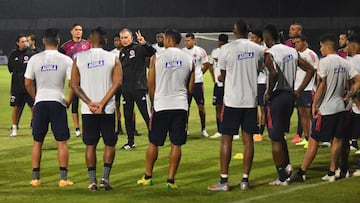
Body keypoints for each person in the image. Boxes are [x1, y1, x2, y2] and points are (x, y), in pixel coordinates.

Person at [289, 34, 360, 183]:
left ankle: (302, 171)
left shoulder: (324, 62)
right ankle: (332, 171)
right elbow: (356, 81)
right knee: (337, 140)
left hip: (326, 109)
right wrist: (350, 94)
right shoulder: (345, 62)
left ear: (328, 47)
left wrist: (315, 104)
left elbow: (322, 84)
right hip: (341, 107)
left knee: (314, 140)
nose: (320, 49)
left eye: (321, 46)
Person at [208, 20, 264, 191]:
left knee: (226, 139)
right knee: (248, 141)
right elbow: (260, 68)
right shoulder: (258, 49)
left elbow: (222, 77)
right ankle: (245, 180)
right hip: (250, 101)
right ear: (248, 31)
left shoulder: (226, 49)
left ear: (234, 31)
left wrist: (221, 77)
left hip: (232, 101)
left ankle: (224, 181)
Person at [137, 29, 195, 190]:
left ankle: (148, 176)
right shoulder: (189, 59)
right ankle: (170, 180)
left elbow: (150, 83)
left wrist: (154, 100)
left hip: (161, 105)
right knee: (176, 144)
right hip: (180, 105)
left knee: (153, 143)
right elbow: (191, 88)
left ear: (168, 40)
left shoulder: (158, 57)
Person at [71, 26, 122, 191]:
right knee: (109, 143)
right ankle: (105, 179)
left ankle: (92, 182)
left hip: (88, 110)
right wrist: (102, 103)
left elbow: (74, 85)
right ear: (105, 41)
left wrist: (89, 102)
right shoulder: (113, 57)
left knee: (90, 145)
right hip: (106, 109)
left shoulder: (78, 58)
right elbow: (117, 83)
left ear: (89, 41)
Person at [262, 24, 314, 186]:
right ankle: (288, 166)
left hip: (277, 97)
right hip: (290, 96)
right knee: (280, 135)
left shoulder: (270, 53)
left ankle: (282, 177)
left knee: (275, 138)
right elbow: (310, 69)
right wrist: (297, 91)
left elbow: (274, 73)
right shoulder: (291, 50)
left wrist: (269, 92)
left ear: (267, 38)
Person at [25, 28, 74, 187]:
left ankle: (36, 179)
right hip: (57, 102)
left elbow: (27, 82)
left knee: (37, 141)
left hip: (41, 102)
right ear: (58, 41)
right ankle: (63, 179)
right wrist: (68, 100)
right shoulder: (66, 60)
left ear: (43, 41)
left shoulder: (34, 59)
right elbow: (73, 83)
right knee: (61, 142)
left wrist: (36, 97)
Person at [119, 28, 155, 150]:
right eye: (122, 38)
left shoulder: (139, 48)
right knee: (128, 116)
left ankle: (154, 138)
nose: (123, 40)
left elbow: (151, 52)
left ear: (131, 38)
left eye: (126, 37)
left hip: (139, 88)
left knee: (147, 115)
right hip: (126, 90)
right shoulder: (122, 52)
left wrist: (144, 42)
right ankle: (130, 142)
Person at [60, 24, 91, 137]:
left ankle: (87, 126)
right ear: (71, 32)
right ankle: (77, 128)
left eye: (80, 30)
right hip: (73, 78)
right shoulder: (65, 47)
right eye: (76, 30)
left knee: (87, 102)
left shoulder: (87, 44)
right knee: (74, 104)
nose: (78, 32)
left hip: (86, 78)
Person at [182, 33, 213, 137]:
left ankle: (203, 129)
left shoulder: (200, 51)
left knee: (201, 106)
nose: (187, 42)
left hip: (198, 83)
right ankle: (185, 128)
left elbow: (206, 65)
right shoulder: (182, 52)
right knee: (185, 107)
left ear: (193, 41)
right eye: (185, 41)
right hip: (186, 84)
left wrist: (198, 75)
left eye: (189, 40)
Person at [111, 34, 140, 136]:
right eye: (116, 41)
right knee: (117, 105)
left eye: (119, 40)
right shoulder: (112, 54)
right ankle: (118, 127)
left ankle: (133, 128)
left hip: (128, 83)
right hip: (117, 83)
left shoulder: (129, 51)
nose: (117, 42)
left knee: (130, 106)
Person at [293, 34, 319, 149]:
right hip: (297, 88)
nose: (296, 44)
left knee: (309, 114)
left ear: (304, 42)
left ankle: (314, 138)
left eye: (298, 42)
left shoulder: (310, 54)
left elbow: (316, 70)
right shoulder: (295, 55)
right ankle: (307, 137)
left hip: (308, 89)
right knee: (302, 113)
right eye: (295, 43)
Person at [8, 34, 34, 137]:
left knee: (34, 107)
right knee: (16, 108)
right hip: (17, 87)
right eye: (22, 41)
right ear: (17, 43)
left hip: (29, 86)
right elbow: (10, 68)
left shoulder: (30, 54)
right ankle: (14, 129)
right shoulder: (13, 55)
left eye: (26, 41)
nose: (25, 43)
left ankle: (34, 127)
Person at [209, 33, 228, 139]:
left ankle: (232, 132)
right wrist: (213, 77)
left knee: (228, 107)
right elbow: (209, 64)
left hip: (228, 85)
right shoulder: (215, 52)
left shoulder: (229, 51)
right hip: (218, 84)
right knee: (218, 107)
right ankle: (220, 130)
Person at [249, 29, 267, 142]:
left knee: (263, 108)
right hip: (252, 83)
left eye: (254, 37)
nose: (251, 39)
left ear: (259, 39)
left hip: (262, 82)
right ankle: (254, 130)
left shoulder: (263, 50)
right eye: (251, 37)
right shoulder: (250, 50)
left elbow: (263, 66)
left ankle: (260, 132)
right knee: (252, 107)